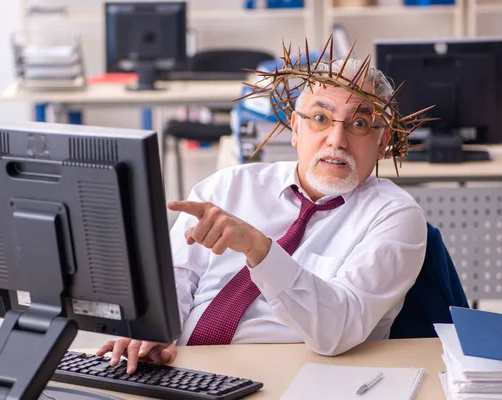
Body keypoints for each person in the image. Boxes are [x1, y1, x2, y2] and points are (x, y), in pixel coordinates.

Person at [97, 58, 428, 375]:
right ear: (296, 127)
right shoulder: (230, 185)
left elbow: (337, 330)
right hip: (181, 366)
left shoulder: (395, 217)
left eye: (359, 123)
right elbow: (178, 275)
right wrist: (156, 329)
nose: (336, 140)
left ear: (383, 140)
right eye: (320, 118)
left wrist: (260, 250)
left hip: (296, 381)